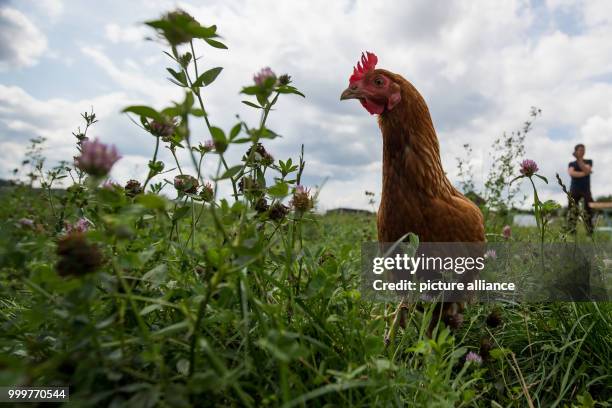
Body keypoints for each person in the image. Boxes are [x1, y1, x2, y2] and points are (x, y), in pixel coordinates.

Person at [567, 144, 594, 234]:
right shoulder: (571, 163)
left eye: (584, 149)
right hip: (574, 190)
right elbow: (571, 173)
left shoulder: (589, 161)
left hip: (586, 190)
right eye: (580, 150)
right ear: (576, 151)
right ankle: (571, 231)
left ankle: (589, 232)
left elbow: (587, 169)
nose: (582, 151)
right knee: (572, 211)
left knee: (588, 211)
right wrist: (585, 173)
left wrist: (579, 161)